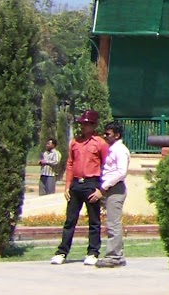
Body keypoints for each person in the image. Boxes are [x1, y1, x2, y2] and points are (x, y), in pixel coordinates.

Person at [52, 110, 108, 266]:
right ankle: (62, 252)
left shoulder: (100, 143)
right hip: (76, 183)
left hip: (92, 183)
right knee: (70, 220)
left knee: (94, 221)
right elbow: (70, 164)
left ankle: (93, 252)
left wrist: (101, 189)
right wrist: (67, 186)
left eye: (87, 124)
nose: (83, 126)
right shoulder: (75, 142)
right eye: (82, 123)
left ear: (94, 125)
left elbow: (107, 166)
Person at [92, 121, 132, 267]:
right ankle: (117, 254)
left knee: (113, 223)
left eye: (108, 134)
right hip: (110, 188)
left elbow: (121, 172)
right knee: (112, 222)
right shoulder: (112, 149)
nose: (105, 136)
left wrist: (104, 187)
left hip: (115, 189)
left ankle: (114, 256)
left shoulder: (120, 150)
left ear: (117, 135)